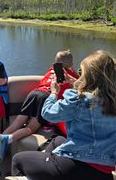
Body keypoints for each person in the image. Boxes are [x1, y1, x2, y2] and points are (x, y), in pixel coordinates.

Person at [12, 50, 116, 180]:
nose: (80, 75)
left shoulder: (79, 99)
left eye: (81, 73)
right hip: (103, 173)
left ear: (88, 76)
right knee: (57, 140)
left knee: (17, 160)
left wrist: (54, 93)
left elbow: (48, 114)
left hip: (74, 167)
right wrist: (72, 81)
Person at [0, 50, 79, 176]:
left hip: (34, 93)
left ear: (55, 63)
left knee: (17, 123)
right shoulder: (72, 76)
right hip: (46, 98)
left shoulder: (51, 70)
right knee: (29, 129)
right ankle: (7, 139)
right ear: (71, 64)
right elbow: (81, 87)